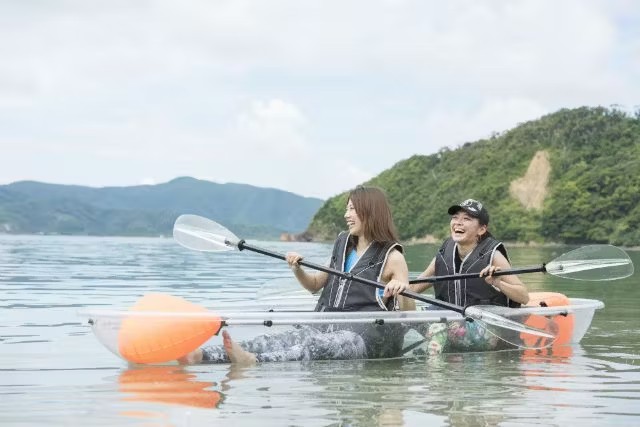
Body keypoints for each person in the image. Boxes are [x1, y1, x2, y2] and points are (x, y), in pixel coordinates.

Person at [180, 186, 414, 365]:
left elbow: (410, 313)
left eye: (352, 208)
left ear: (369, 211)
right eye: (347, 208)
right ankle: (203, 356)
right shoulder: (343, 247)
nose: (346, 214)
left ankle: (254, 362)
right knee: (279, 340)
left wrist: (400, 287)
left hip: (364, 338)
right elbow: (314, 285)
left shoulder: (392, 257)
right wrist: (297, 269)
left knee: (312, 345)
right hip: (327, 326)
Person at [411, 199, 529, 354]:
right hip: (453, 325)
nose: (458, 223)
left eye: (466, 219)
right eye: (455, 218)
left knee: (437, 328)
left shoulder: (493, 256)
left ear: (481, 229)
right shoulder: (444, 254)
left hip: (487, 330)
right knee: (410, 318)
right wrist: (392, 288)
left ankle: (435, 373)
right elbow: (413, 288)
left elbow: (523, 296)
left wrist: (498, 282)